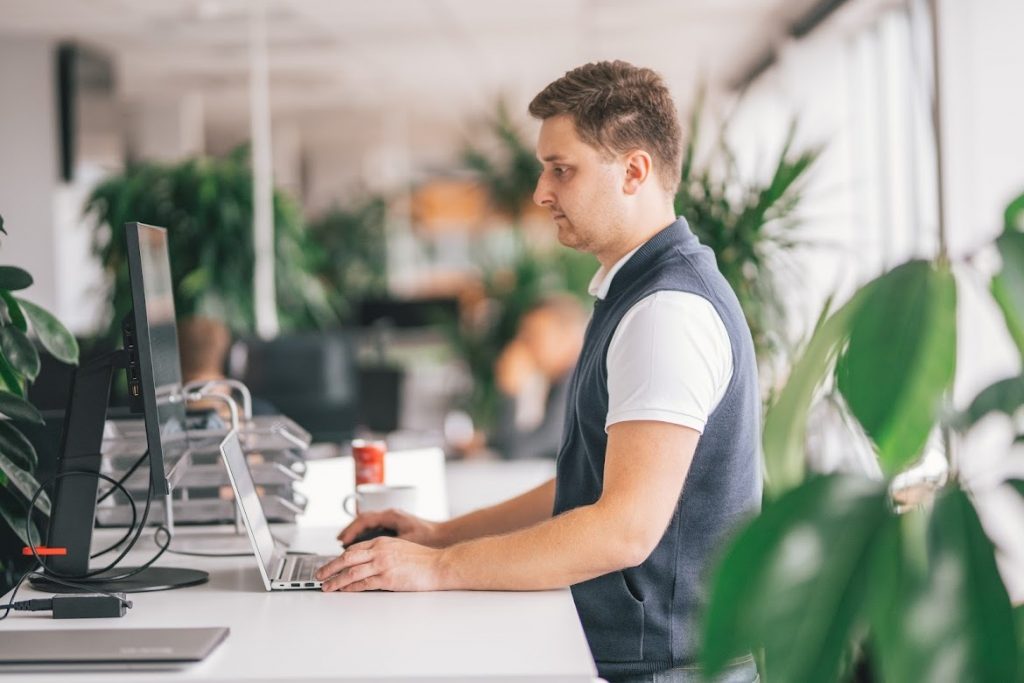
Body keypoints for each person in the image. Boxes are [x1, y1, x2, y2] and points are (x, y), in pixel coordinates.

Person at [316, 61, 762, 683]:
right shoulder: (639, 293)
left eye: (562, 169)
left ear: (634, 171)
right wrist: (439, 537)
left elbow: (622, 531)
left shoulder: (668, 312)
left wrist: (436, 570)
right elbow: (585, 487)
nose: (541, 193)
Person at [490, 294, 587, 460]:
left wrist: (510, 392)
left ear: (568, 337)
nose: (524, 345)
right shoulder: (565, 380)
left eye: (534, 335)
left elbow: (518, 451)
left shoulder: (577, 382)